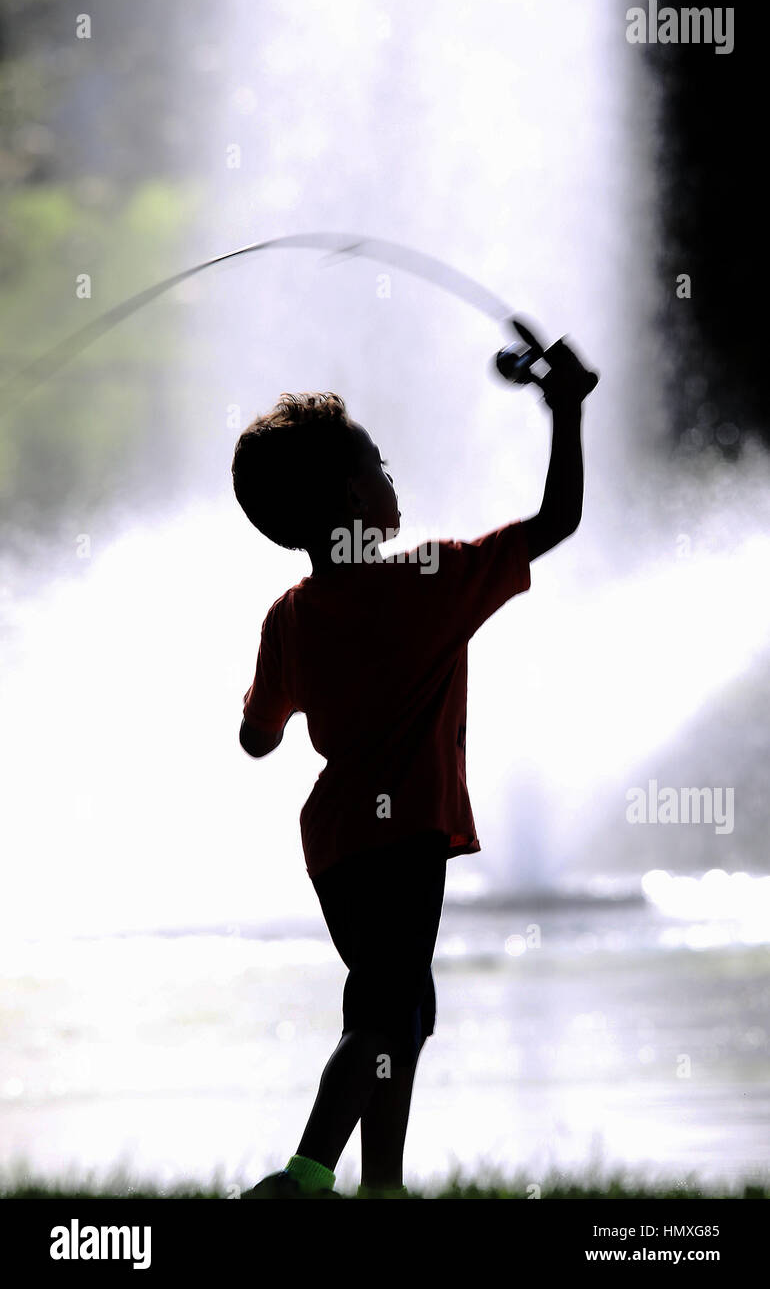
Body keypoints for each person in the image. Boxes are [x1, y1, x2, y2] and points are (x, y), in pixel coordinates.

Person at [231, 326, 598, 1198]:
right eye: (381, 465)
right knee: (391, 1010)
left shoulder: (290, 615)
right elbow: (559, 521)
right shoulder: (430, 579)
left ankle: (383, 1184)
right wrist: (568, 413)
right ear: (357, 494)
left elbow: (257, 736)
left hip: (335, 844)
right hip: (404, 834)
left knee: (396, 1010)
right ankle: (307, 1174)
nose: (394, 479)